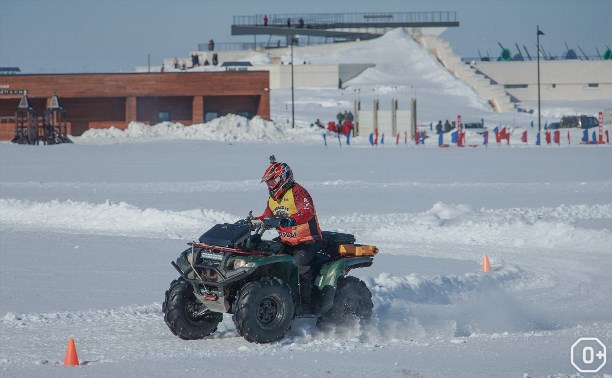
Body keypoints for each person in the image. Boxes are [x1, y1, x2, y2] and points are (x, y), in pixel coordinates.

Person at [259, 156, 322, 314]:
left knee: (298, 264)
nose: (270, 186)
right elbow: (267, 215)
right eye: (268, 183)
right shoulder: (273, 198)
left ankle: (305, 305)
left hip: (307, 241)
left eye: (272, 182)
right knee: (266, 256)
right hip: (286, 241)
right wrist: (256, 220)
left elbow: (307, 212)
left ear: (283, 179)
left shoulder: (298, 192)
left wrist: (291, 220)